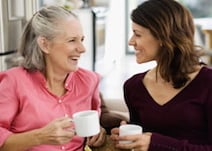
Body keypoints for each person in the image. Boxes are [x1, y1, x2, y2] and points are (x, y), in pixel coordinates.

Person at [0, 5, 106, 151]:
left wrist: (99, 134)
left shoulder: (89, 81)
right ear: (45, 44)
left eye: (82, 39)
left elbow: (95, 126)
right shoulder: (14, 81)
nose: (82, 48)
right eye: (72, 40)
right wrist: (40, 136)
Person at [110, 0, 212, 150]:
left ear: (163, 36)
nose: (131, 42)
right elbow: (142, 137)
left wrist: (155, 144)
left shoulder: (208, 83)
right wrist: (128, 136)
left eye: (137, 34)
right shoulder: (133, 86)